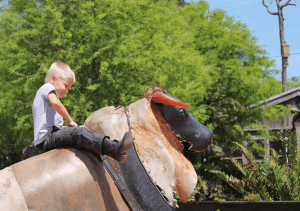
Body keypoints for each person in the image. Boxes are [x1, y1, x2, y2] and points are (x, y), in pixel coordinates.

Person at [32, 62, 133, 163]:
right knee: (79, 133)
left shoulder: (45, 99)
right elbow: (56, 103)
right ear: (53, 79)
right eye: (65, 85)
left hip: (48, 138)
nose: (67, 91)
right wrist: (70, 121)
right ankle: (114, 148)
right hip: (47, 138)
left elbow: (50, 124)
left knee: (81, 133)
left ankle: (111, 153)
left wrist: (66, 128)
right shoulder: (47, 87)